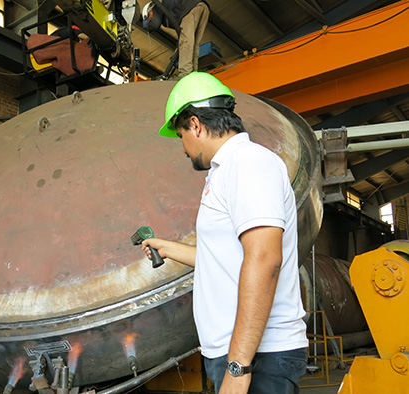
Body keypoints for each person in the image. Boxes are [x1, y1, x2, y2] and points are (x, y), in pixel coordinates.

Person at [141, 72, 308, 394]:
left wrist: (239, 366)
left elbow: (264, 259)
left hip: (259, 356)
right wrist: (169, 248)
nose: (183, 148)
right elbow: (226, 258)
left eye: (180, 136)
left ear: (196, 125)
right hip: (238, 351)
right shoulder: (227, 171)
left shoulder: (249, 164)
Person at [142, 0, 210, 78]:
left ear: (150, 12)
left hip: (190, 8)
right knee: (194, 43)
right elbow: (180, 31)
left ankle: (185, 74)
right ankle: (193, 74)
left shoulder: (160, 7)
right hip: (203, 7)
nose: (150, 19)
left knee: (186, 41)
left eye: (149, 18)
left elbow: (155, 24)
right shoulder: (166, 11)